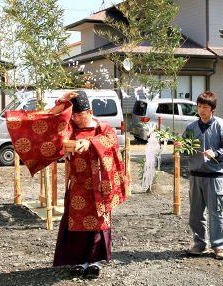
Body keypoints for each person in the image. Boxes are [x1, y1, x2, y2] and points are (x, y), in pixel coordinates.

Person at [53, 90, 128, 279]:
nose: (77, 119)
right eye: (75, 115)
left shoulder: (101, 127)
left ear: (90, 112)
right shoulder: (71, 127)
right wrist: (62, 101)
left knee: (98, 224)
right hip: (78, 184)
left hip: (100, 184)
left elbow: (111, 141)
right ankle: (80, 261)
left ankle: (94, 262)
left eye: (80, 114)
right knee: (77, 224)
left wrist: (91, 143)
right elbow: (54, 125)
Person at [174, 91, 223, 260]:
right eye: (199, 106)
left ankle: (219, 246)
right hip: (195, 175)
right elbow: (187, 149)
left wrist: (215, 153)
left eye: (205, 107)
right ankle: (200, 244)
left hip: (213, 176)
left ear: (213, 109)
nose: (201, 110)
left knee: (216, 212)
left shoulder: (221, 126)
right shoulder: (191, 127)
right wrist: (180, 146)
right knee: (196, 213)